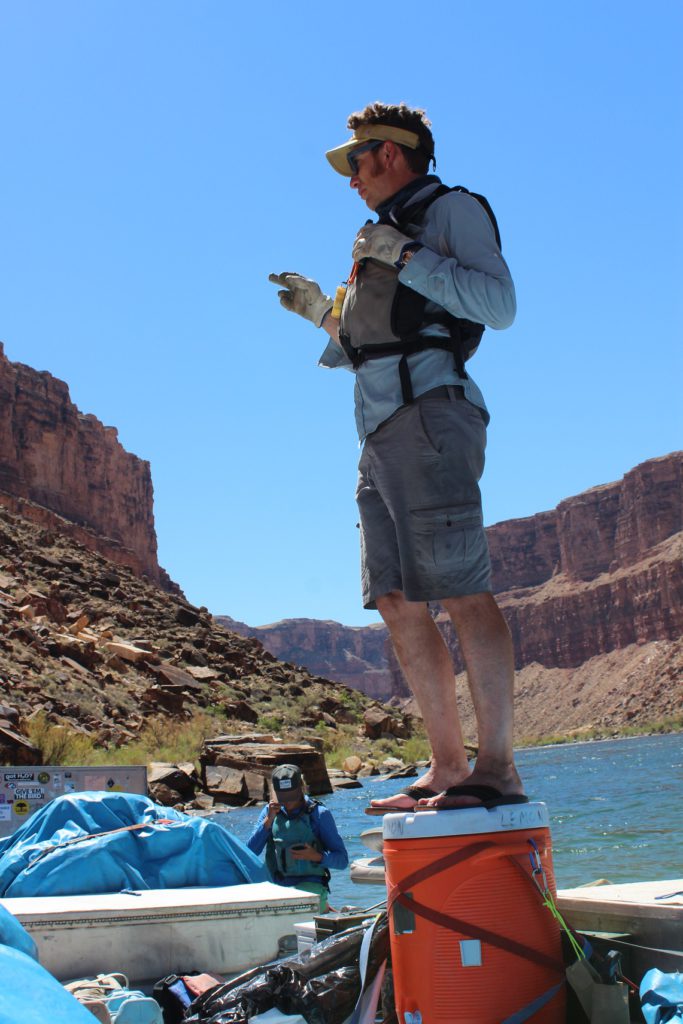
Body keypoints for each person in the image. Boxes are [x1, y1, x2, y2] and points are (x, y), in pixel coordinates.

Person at [269, 102, 527, 813]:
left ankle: (497, 769)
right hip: (378, 431)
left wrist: (405, 255)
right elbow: (367, 339)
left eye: (355, 161)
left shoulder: (450, 211)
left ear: (389, 153)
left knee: (460, 590)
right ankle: (446, 768)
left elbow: (497, 304)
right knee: (394, 599)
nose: (349, 179)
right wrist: (320, 312)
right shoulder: (374, 236)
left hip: (430, 416)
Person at [246, 764, 348, 910]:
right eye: (283, 798)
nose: (288, 803)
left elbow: (342, 861)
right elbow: (249, 852)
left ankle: (323, 906)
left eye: (291, 797)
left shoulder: (319, 814)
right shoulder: (269, 814)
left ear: (301, 787)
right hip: (278, 887)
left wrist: (318, 857)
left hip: (312, 886)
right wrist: (268, 822)